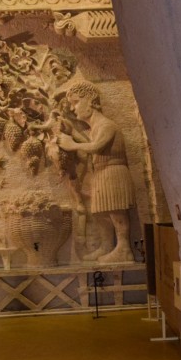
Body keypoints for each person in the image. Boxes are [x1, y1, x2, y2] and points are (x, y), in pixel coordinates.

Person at [55, 80, 136, 263]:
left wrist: (73, 144)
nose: (74, 109)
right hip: (101, 174)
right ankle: (107, 246)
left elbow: (96, 146)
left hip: (113, 172)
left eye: (76, 102)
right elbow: (89, 147)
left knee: (116, 211)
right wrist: (71, 132)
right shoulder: (94, 128)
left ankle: (124, 249)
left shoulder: (106, 125)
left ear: (89, 100)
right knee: (100, 212)